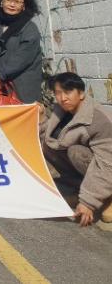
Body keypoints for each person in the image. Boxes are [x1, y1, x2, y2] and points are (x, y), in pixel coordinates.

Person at [40, 72, 112, 227]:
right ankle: (80, 189)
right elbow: (51, 140)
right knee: (49, 147)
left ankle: (107, 196)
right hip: (96, 164)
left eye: (68, 92)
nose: (63, 98)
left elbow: (107, 165)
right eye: (58, 93)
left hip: (107, 166)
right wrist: (41, 118)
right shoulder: (61, 111)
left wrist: (88, 202)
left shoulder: (98, 119)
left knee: (76, 152)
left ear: (81, 94)